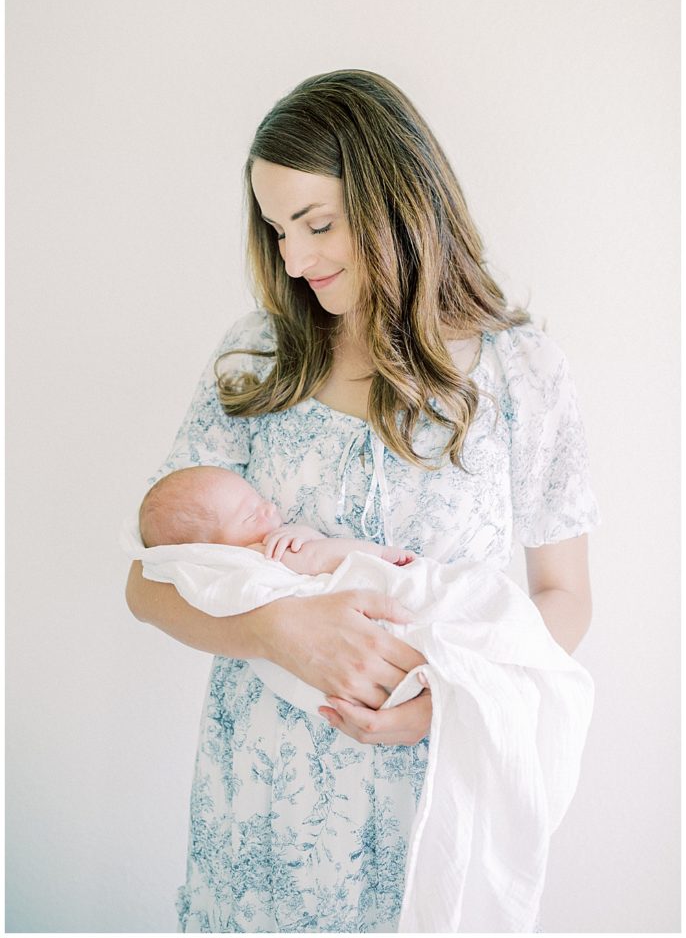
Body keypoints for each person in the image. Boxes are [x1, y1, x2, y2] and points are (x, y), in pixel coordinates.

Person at [125, 68, 600, 933]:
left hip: (429, 799)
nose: (295, 261)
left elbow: (564, 595)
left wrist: (451, 702)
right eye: (277, 231)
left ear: (397, 200)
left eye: (316, 224)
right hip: (258, 814)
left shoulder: (524, 375)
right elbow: (149, 579)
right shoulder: (255, 359)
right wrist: (272, 629)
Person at [139, 464, 415, 572]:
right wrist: (380, 554)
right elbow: (320, 558)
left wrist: (308, 536)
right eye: (250, 515)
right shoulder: (256, 556)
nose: (269, 507)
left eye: (259, 500)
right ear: (211, 550)